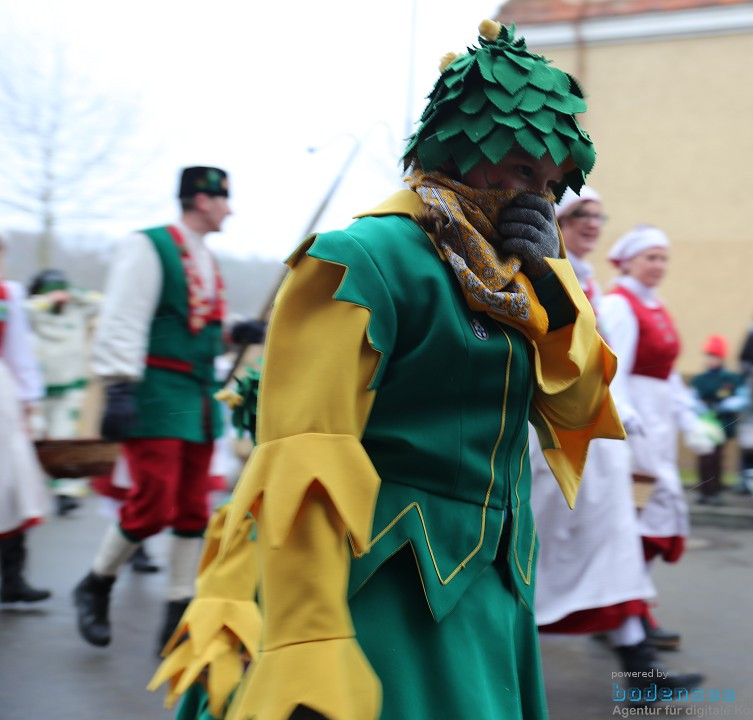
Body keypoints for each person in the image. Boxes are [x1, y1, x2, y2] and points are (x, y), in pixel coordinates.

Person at [150, 20, 623, 720]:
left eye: (551, 184)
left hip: (490, 586)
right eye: (523, 170)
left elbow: (578, 409)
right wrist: (309, 638)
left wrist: (554, 289)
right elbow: (301, 462)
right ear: (464, 150)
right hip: (379, 579)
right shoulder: (365, 259)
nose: (536, 199)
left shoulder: (524, 279)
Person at [72, 165, 264, 651]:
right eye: (224, 200)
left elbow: (193, 323)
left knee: (193, 505)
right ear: (202, 200)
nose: (230, 209)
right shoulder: (149, 245)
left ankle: (178, 610)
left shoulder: (205, 257)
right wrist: (118, 387)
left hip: (196, 396)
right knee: (154, 501)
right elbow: (123, 316)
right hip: (155, 390)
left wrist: (234, 333)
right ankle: (96, 581)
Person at [529, 186, 702, 691]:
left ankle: (641, 665)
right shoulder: (540, 270)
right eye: (580, 213)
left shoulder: (588, 279)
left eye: (598, 215)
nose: (592, 223)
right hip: (554, 436)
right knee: (543, 550)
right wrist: (618, 404)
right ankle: (499, 662)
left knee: (613, 543)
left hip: (593, 432)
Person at [601, 225, 717, 651]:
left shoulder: (657, 306)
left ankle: (632, 609)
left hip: (660, 428)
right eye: (650, 257)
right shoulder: (619, 306)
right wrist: (626, 417)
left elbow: (668, 379)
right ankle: (628, 615)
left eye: (663, 258)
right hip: (635, 435)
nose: (658, 266)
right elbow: (614, 368)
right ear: (628, 260)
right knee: (645, 519)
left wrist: (692, 420)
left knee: (655, 521)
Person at [0, 232, 52, 604]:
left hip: (3, 398)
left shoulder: (8, 297)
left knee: (12, 486)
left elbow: (18, 349)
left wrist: (30, 398)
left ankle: (12, 578)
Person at [26, 268, 102, 514]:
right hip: (37, 389)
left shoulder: (77, 309)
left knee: (63, 436)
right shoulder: (34, 313)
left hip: (70, 386)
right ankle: (32, 490)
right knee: (35, 438)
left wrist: (73, 294)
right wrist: (45, 300)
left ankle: (64, 492)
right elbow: (20, 309)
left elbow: (103, 302)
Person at [689, 334, 743, 506]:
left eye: (715, 357)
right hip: (704, 424)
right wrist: (700, 407)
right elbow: (692, 398)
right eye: (709, 356)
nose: (712, 360)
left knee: (717, 458)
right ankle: (704, 491)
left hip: (722, 423)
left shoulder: (730, 379)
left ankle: (716, 491)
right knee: (704, 458)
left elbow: (742, 398)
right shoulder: (700, 380)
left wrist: (727, 405)